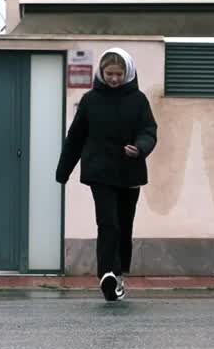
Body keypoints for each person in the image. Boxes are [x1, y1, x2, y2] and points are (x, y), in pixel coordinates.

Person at [56, 47, 158, 302]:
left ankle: (119, 273)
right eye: (109, 73)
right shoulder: (91, 100)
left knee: (124, 226)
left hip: (130, 172)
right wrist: (63, 171)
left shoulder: (139, 100)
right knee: (108, 223)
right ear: (101, 73)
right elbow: (75, 138)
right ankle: (107, 275)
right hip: (100, 172)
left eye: (118, 74)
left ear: (128, 73)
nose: (114, 79)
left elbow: (149, 131)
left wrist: (140, 148)